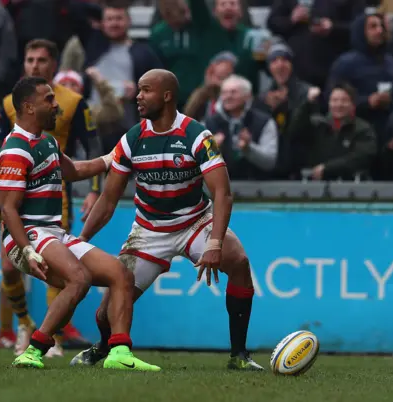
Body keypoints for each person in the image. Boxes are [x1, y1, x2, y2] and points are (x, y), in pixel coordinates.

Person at [70, 69, 264, 371]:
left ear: (167, 95)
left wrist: (214, 242)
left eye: (145, 90)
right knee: (104, 313)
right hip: (148, 230)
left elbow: (223, 194)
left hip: (195, 223)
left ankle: (239, 355)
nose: (138, 96)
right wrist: (81, 242)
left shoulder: (196, 135)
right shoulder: (132, 139)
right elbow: (108, 200)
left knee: (238, 261)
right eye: (138, 90)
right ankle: (103, 346)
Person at [0, 76, 160, 371]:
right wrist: (27, 250)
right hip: (28, 234)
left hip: (52, 232)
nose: (55, 104)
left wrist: (113, 158)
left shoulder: (46, 142)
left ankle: (120, 353)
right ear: (28, 107)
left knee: (121, 274)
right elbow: (8, 210)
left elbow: (72, 170)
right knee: (79, 278)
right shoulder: (14, 151)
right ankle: (34, 350)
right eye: (48, 99)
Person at [0, 39, 101, 356]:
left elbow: (89, 148)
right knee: (9, 268)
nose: (35, 65)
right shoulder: (13, 102)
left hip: (53, 193)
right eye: (29, 59)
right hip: (15, 190)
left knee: (57, 268)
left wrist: (94, 190)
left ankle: (53, 339)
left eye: (41, 60)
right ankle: (23, 324)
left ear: (54, 65)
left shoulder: (73, 102)